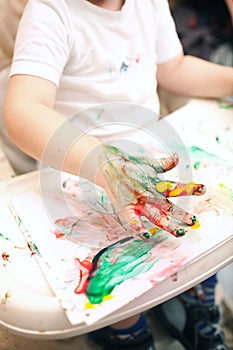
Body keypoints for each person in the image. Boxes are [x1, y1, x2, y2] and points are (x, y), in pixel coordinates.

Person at [4, 1, 233, 349]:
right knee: (117, 283)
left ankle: (191, 303)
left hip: (153, 159)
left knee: (198, 226)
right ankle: (126, 330)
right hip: (82, 169)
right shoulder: (51, 9)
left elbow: (173, 68)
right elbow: (23, 109)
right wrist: (102, 162)